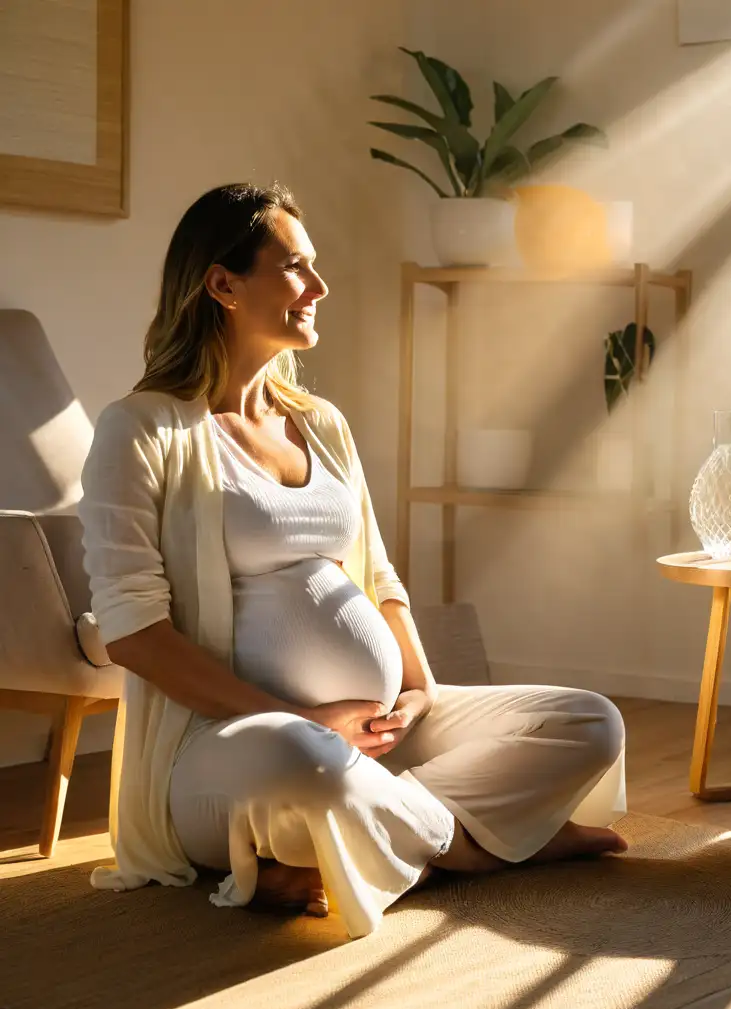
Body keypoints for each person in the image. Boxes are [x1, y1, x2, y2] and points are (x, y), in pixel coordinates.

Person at [79, 182, 627, 938]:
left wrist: (419, 689)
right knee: (303, 764)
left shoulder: (321, 424)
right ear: (223, 284)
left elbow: (378, 577)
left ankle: (371, 846)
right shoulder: (140, 430)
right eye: (296, 267)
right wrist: (306, 719)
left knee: (587, 721)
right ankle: (488, 845)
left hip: (372, 739)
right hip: (230, 749)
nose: (320, 287)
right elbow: (133, 633)